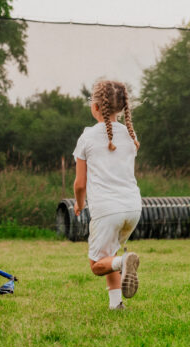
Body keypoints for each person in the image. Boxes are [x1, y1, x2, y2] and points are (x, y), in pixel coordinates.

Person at [73, 80, 142, 310]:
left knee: (96, 265)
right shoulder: (131, 136)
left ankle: (124, 261)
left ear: (95, 107)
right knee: (109, 252)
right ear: (122, 109)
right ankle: (116, 304)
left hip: (107, 209)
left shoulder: (87, 138)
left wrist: (79, 204)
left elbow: (80, 184)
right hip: (133, 208)